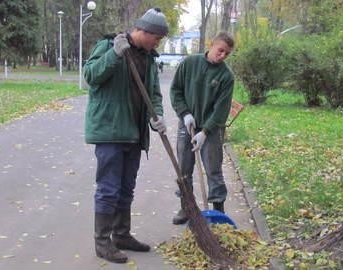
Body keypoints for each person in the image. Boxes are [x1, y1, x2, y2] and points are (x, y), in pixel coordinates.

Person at [83, 7, 168, 263]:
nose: (158, 42)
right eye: (157, 37)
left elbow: (153, 93)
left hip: (135, 132)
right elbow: (90, 76)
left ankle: (121, 235)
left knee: (126, 189)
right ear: (145, 31)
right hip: (110, 130)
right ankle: (102, 242)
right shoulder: (111, 45)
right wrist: (113, 55)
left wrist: (158, 116)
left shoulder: (150, 58)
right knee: (109, 189)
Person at [170, 32, 235, 225]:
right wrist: (185, 113)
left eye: (227, 53)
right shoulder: (189, 63)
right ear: (212, 44)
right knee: (184, 169)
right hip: (187, 124)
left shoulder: (226, 76)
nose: (222, 55)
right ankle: (186, 207)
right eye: (220, 50)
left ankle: (218, 211)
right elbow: (176, 91)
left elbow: (221, 110)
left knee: (213, 170)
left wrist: (205, 132)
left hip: (211, 129)